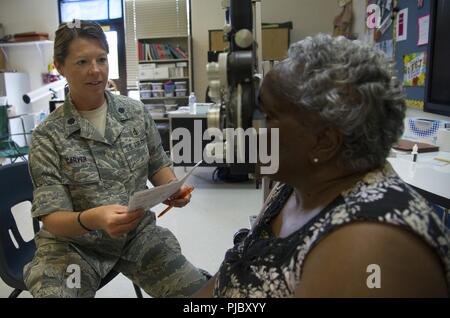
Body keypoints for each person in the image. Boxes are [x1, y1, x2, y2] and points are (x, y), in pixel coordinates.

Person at [195, 34, 449, 297]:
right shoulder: (294, 188)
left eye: (268, 117)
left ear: (324, 143)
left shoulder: (369, 243)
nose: (248, 130)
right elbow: (236, 271)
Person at [24, 20, 207, 298]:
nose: (95, 70)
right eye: (82, 61)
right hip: (74, 248)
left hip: (136, 237)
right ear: (60, 67)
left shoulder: (135, 114)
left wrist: (173, 187)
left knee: (200, 295)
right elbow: (52, 219)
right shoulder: (48, 136)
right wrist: (95, 218)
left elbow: (158, 164)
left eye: (101, 59)